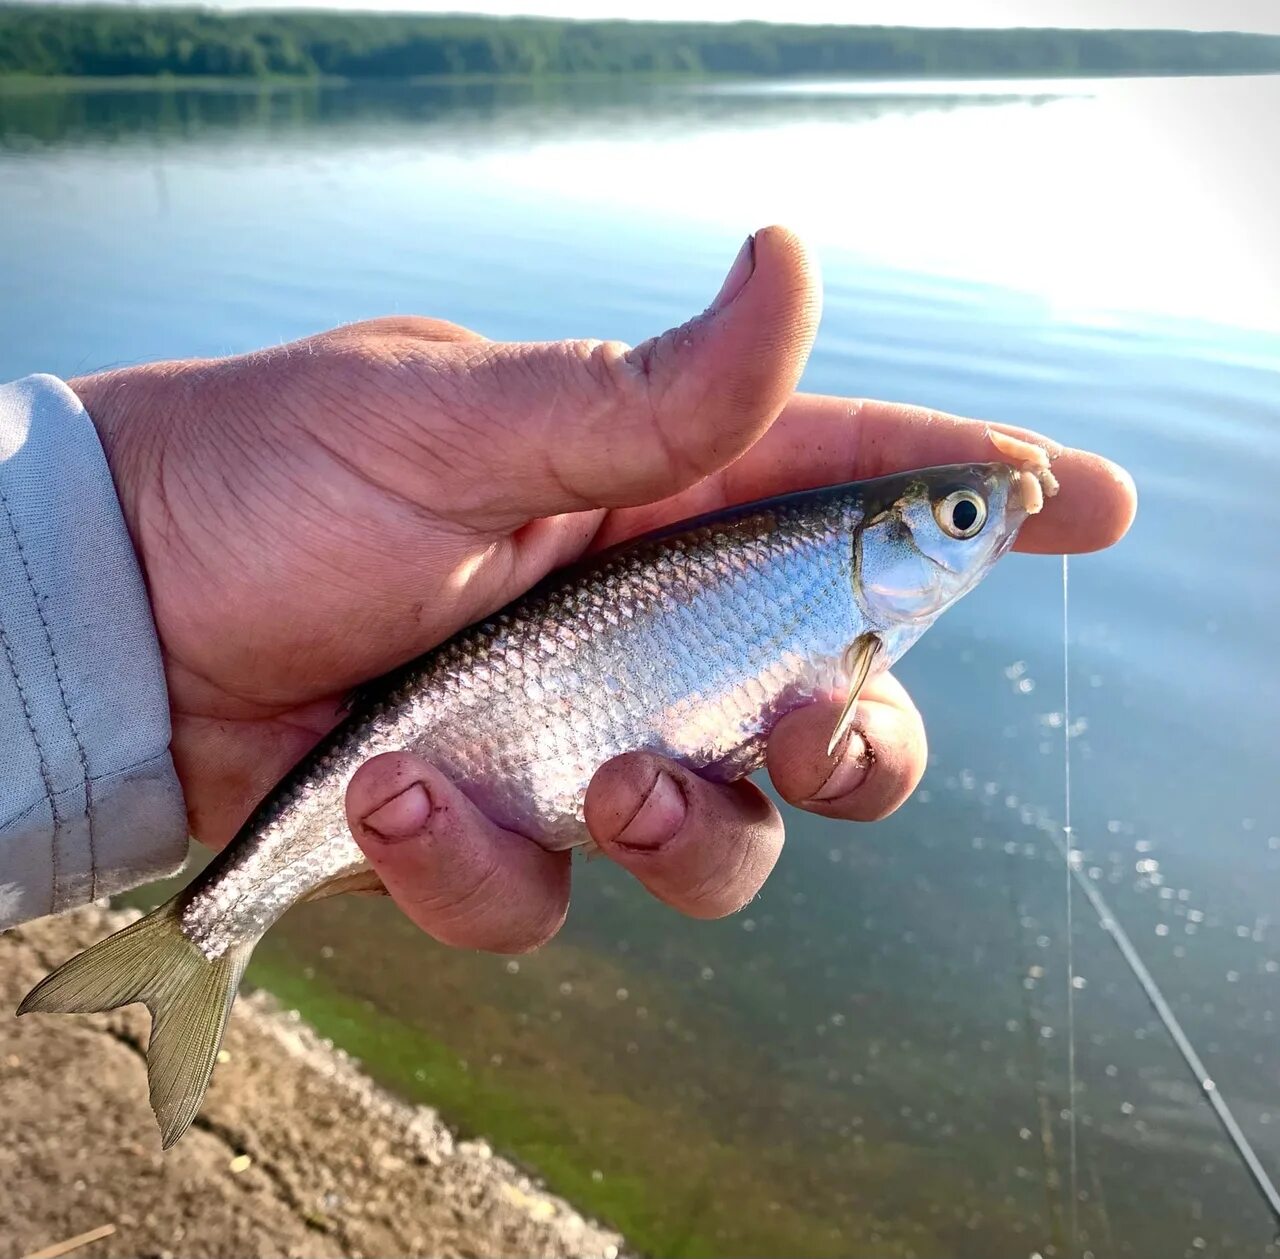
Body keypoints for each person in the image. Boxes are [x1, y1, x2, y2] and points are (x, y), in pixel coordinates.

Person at [0, 227, 1136, 949]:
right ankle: (203, 937)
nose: (976, 533)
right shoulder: (840, 602)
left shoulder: (848, 603)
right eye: (958, 518)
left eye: (965, 516)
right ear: (880, 542)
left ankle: (203, 930)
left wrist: (99, 591)